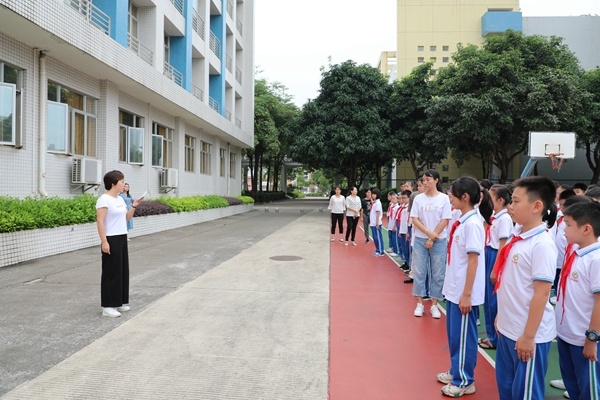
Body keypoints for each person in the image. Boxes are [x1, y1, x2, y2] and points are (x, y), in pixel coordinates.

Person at [491, 176, 558, 400]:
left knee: (526, 393)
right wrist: (501, 316)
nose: (510, 206)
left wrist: (529, 336)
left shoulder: (542, 245)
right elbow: (511, 284)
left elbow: (541, 293)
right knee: (507, 388)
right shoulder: (517, 235)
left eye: (516, 201)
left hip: (528, 334)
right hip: (509, 328)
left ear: (536, 206)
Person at [437, 176, 493, 397]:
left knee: (463, 337)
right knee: (454, 335)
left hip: (463, 291)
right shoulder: (462, 220)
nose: (449, 196)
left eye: (452, 193)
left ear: (465, 196)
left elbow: (473, 261)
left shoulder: (472, 224)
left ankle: (464, 380)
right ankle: (455, 370)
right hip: (454, 289)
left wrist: (467, 294)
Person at [555, 199, 600, 400]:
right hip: (566, 333)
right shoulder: (576, 253)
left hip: (584, 338)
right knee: (572, 385)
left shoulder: (596, 259)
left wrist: (592, 339)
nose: (564, 230)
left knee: (589, 388)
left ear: (586, 229)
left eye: (568, 225)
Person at [96, 170, 143, 318]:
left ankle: (119, 301)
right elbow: (100, 222)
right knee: (111, 272)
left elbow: (126, 218)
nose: (124, 184)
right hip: (111, 239)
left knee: (122, 271)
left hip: (122, 237)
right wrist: (104, 241)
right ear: (113, 183)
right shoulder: (104, 199)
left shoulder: (120, 199)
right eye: (122, 181)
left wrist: (134, 206)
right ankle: (107, 306)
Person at [410, 169, 452, 318]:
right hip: (421, 239)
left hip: (439, 240)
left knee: (438, 273)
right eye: (424, 180)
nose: (425, 182)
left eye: (428, 179)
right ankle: (420, 303)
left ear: (436, 180)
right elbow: (414, 218)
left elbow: (445, 219)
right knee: (419, 271)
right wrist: (428, 233)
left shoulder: (444, 198)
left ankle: (434, 304)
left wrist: (432, 237)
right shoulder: (418, 198)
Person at [479, 184, 513, 351]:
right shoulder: (494, 217)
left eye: (491, 198)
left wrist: (496, 269)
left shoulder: (504, 219)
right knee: (487, 299)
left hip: (495, 255)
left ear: (500, 200)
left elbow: (503, 245)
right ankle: (491, 335)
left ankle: (495, 338)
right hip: (489, 253)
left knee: (493, 301)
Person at [397, 189, 412, 271]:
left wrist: (407, 231)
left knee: (407, 249)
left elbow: (408, 221)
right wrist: (400, 231)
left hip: (406, 231)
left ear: (409, 198)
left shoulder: (409, 208)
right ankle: (406, 262)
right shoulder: (403, 207)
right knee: (404, 248)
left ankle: (409, 264)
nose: (402, 200)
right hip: (402, 230)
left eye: (404, 198)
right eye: (402, 198)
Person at [370, 188, 384, 256]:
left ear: (377, 195)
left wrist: (377, 223)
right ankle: (377, 249)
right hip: (373, 223)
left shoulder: (378, 203)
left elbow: (378, 213)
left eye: (374, 194)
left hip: (376, 223)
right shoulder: (375, 202)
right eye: (372, 194)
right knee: (375, 238)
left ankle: (380, 251)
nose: (373, 195)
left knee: (378, 237)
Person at [386, 191, 399, 255]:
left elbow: (396, 218)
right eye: (392, 199)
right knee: (390, 236)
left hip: (394, 224)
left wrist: (395, 226)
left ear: (397, 199)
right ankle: (392, 247)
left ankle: (395, 250)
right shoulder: (392, 206)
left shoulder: (397, 207)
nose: (392, 200)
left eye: (394, 199)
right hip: (390, 224)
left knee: (394, 238)